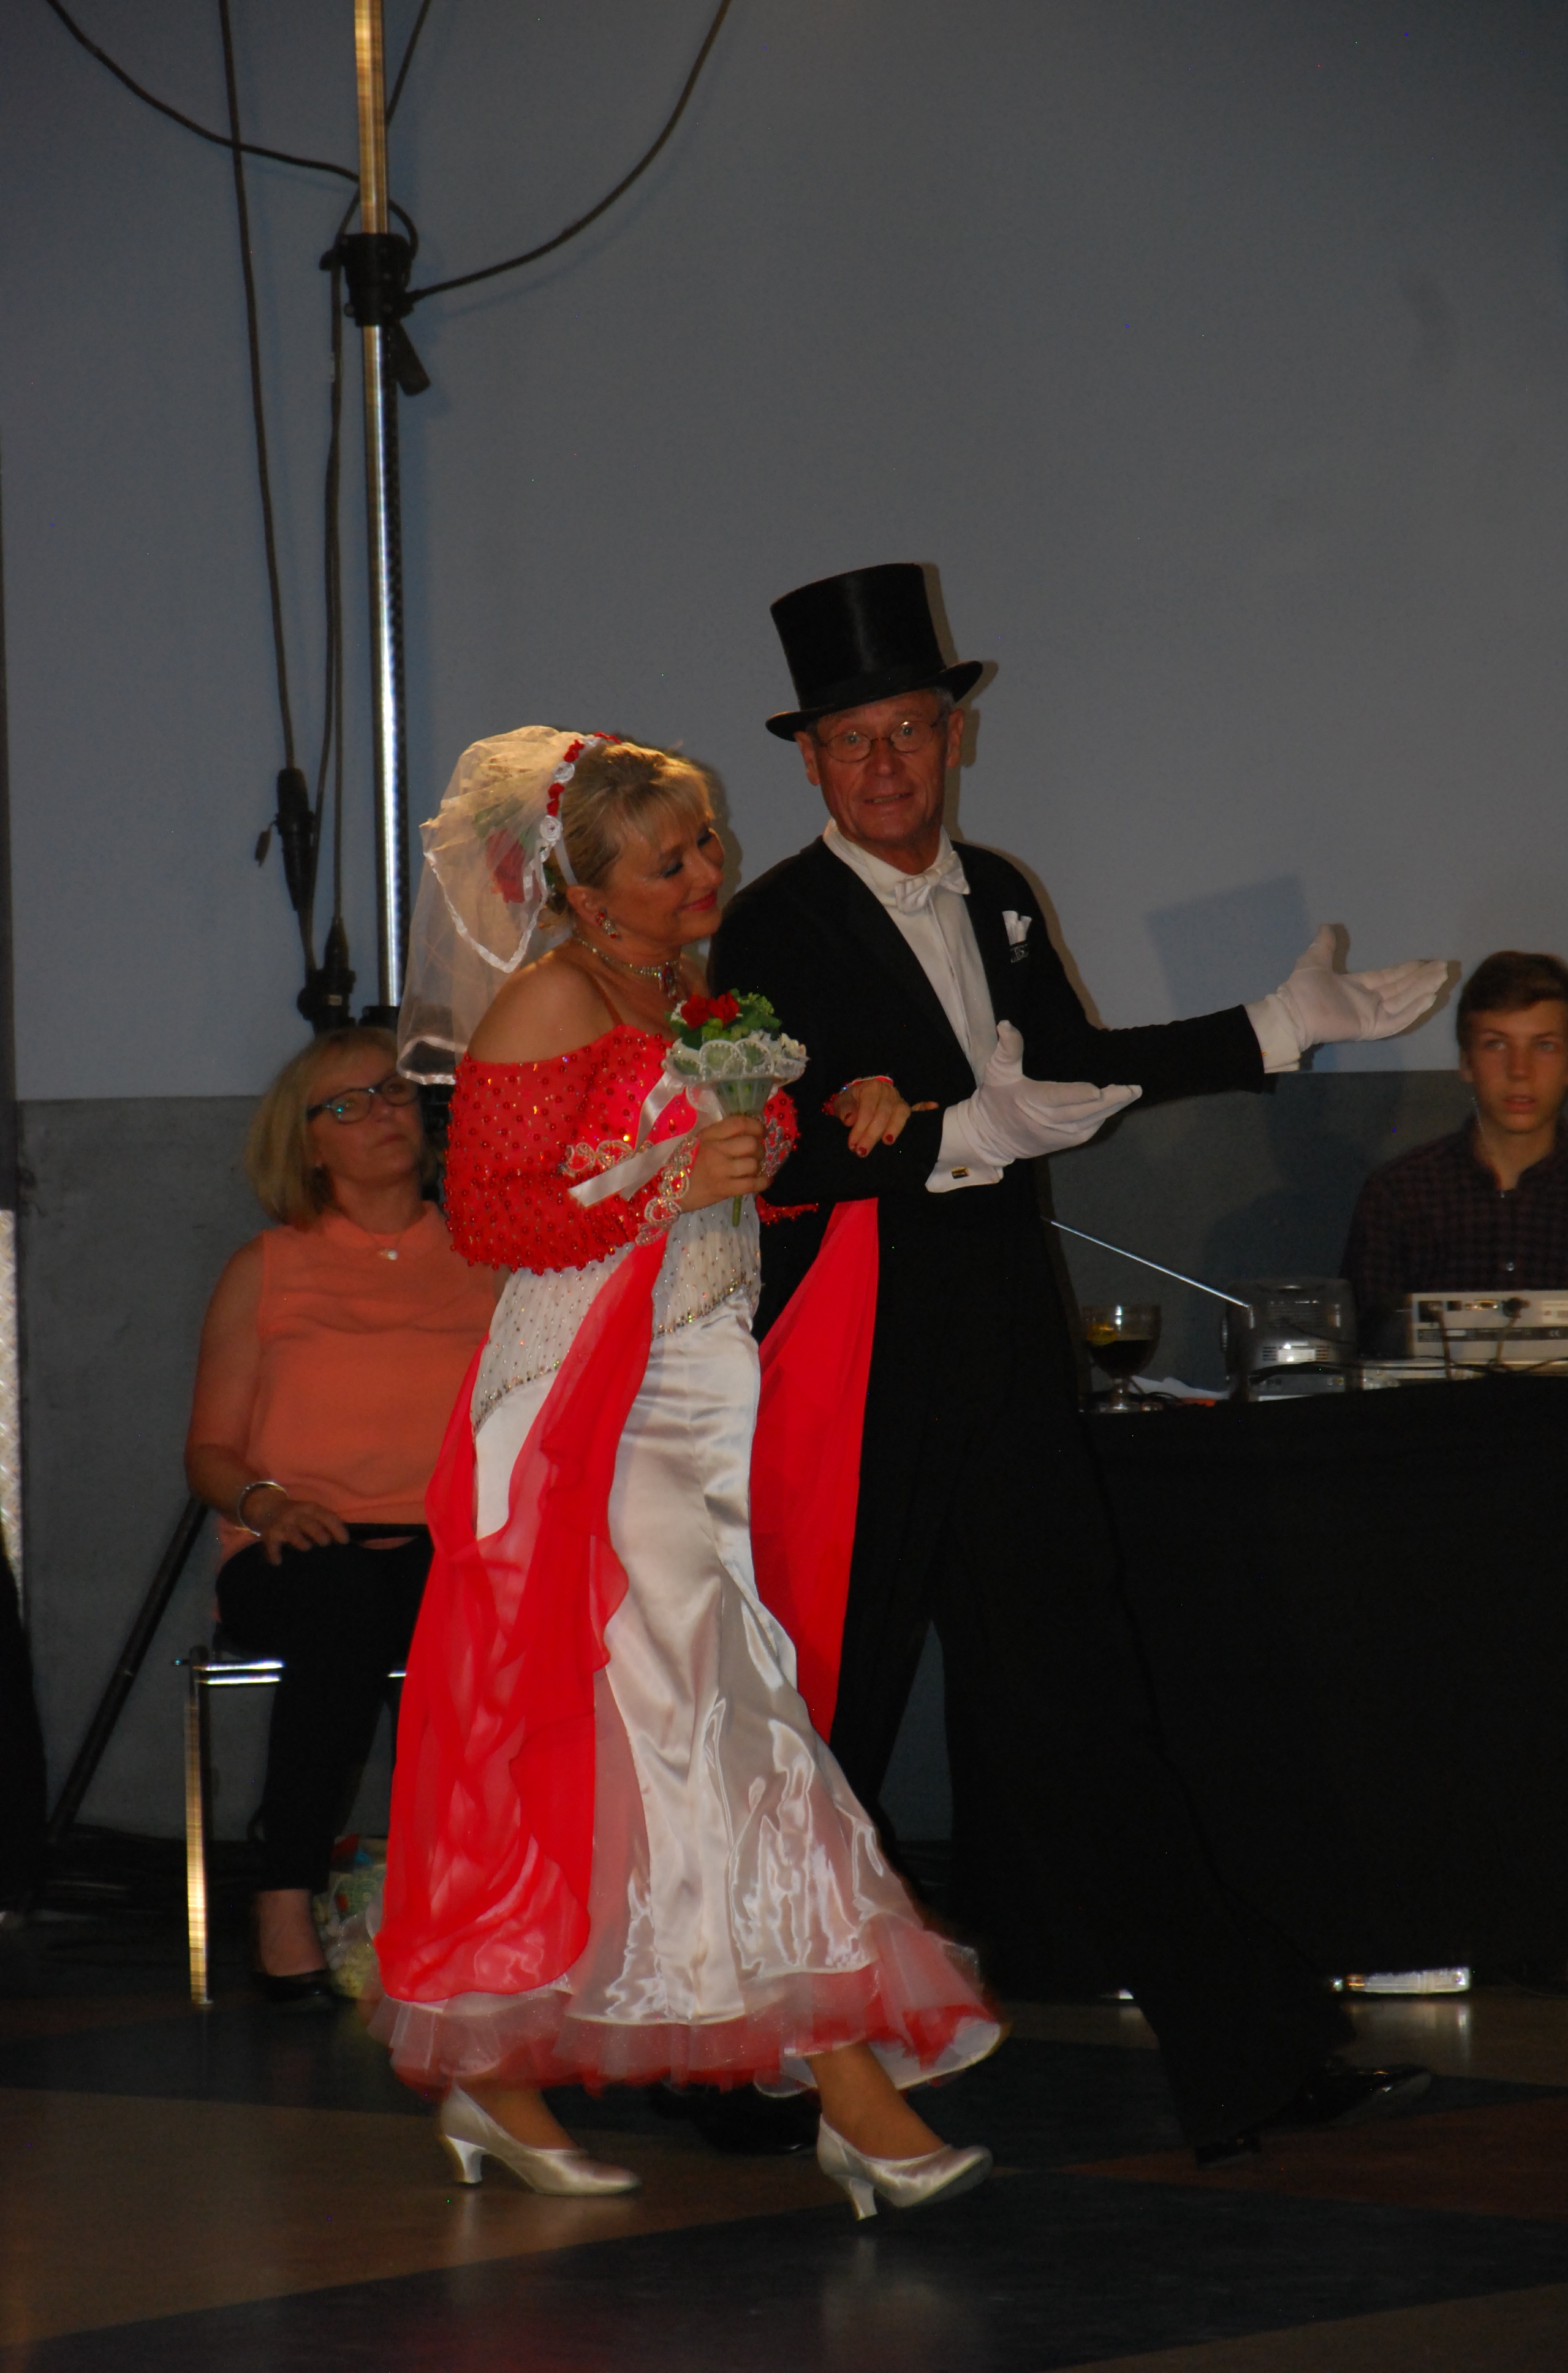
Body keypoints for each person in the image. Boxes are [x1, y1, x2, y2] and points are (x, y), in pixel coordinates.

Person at [710, 561, 1449, 2161]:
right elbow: (758, 1151)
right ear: (811, 761)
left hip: (1001, 1347)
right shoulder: (769, 926)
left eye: (911, 729)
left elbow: (1074, 1069)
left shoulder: (997, 891)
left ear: (954, 735)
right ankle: (734, 2063)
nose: (887, 764)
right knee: (823, 1717)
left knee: (1083, 1701)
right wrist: (946, 1140)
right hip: (852, 1368)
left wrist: (1271, 1029)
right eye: (854, 740)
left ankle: (1249, 2057)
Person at [371, 727, 999, 2219]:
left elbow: (723, 1190)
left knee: (661, 1731)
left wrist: (817, 1132)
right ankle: (848, 2084)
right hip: (591, 1400)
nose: (710, 870)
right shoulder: (550, 999)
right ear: (587, 891)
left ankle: (489, 2063)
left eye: (707, 840)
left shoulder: (685, 993)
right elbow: (494, 1219)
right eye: (672, 859)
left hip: (701, 1379)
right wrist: (671, 1181)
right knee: (720, 1713)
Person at [185, 1027, 500, 2002]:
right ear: (309, 1145)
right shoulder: (268, 1267)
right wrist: (269, 1505)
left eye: (395, 1091)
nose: (383, 1113)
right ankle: (284, 1895)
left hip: (447, 1541)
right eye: (349, 1104)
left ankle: (463, 1897)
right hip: (295, 1544)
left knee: (478, 1603)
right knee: (342, 1599)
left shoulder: (490, 1253)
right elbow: (210, 1453)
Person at [1343, 950, 1568, 1350]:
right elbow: (1365, 1354)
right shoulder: (1400, 1195)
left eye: (1544, 1046)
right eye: (1496, 1045)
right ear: (1466, 1061)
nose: (1519, 1071)